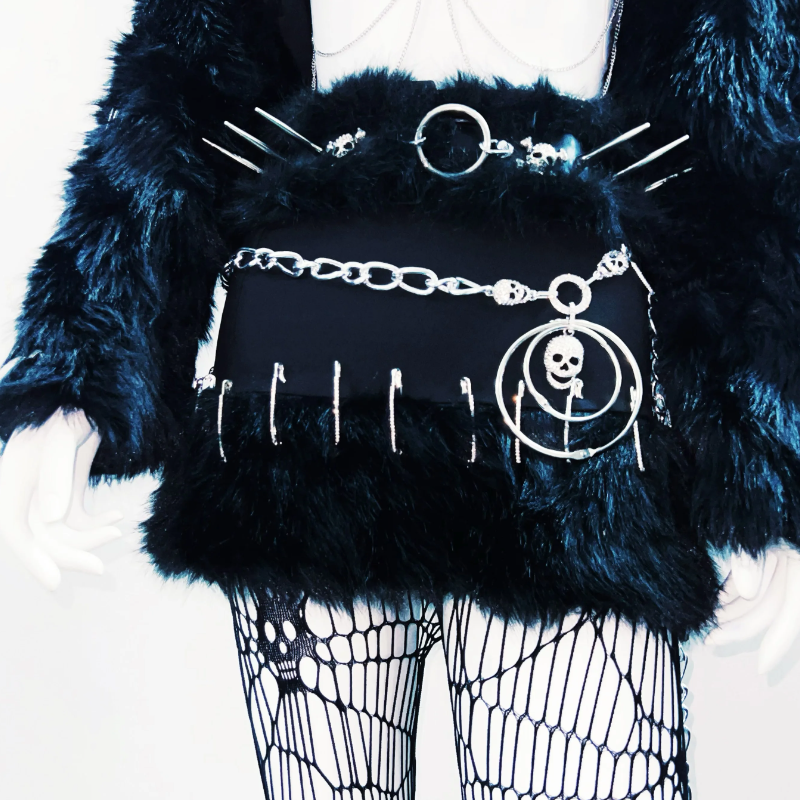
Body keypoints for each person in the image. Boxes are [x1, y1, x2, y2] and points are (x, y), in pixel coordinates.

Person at [1, 1, 799, 797]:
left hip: (565, 417)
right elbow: (173, 102)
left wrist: (765, 459)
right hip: (307, 416)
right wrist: (77, 373)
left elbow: (742, 163)